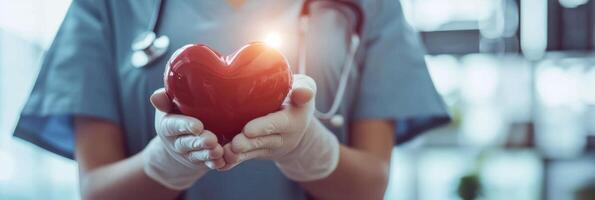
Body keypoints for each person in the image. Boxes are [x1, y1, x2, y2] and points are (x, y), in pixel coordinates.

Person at [13, 0, 450, 199]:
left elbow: (371, 185)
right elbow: (95, 191)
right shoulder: (105, 6)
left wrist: (308, 151)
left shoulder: (367, 6)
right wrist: (163, 163)